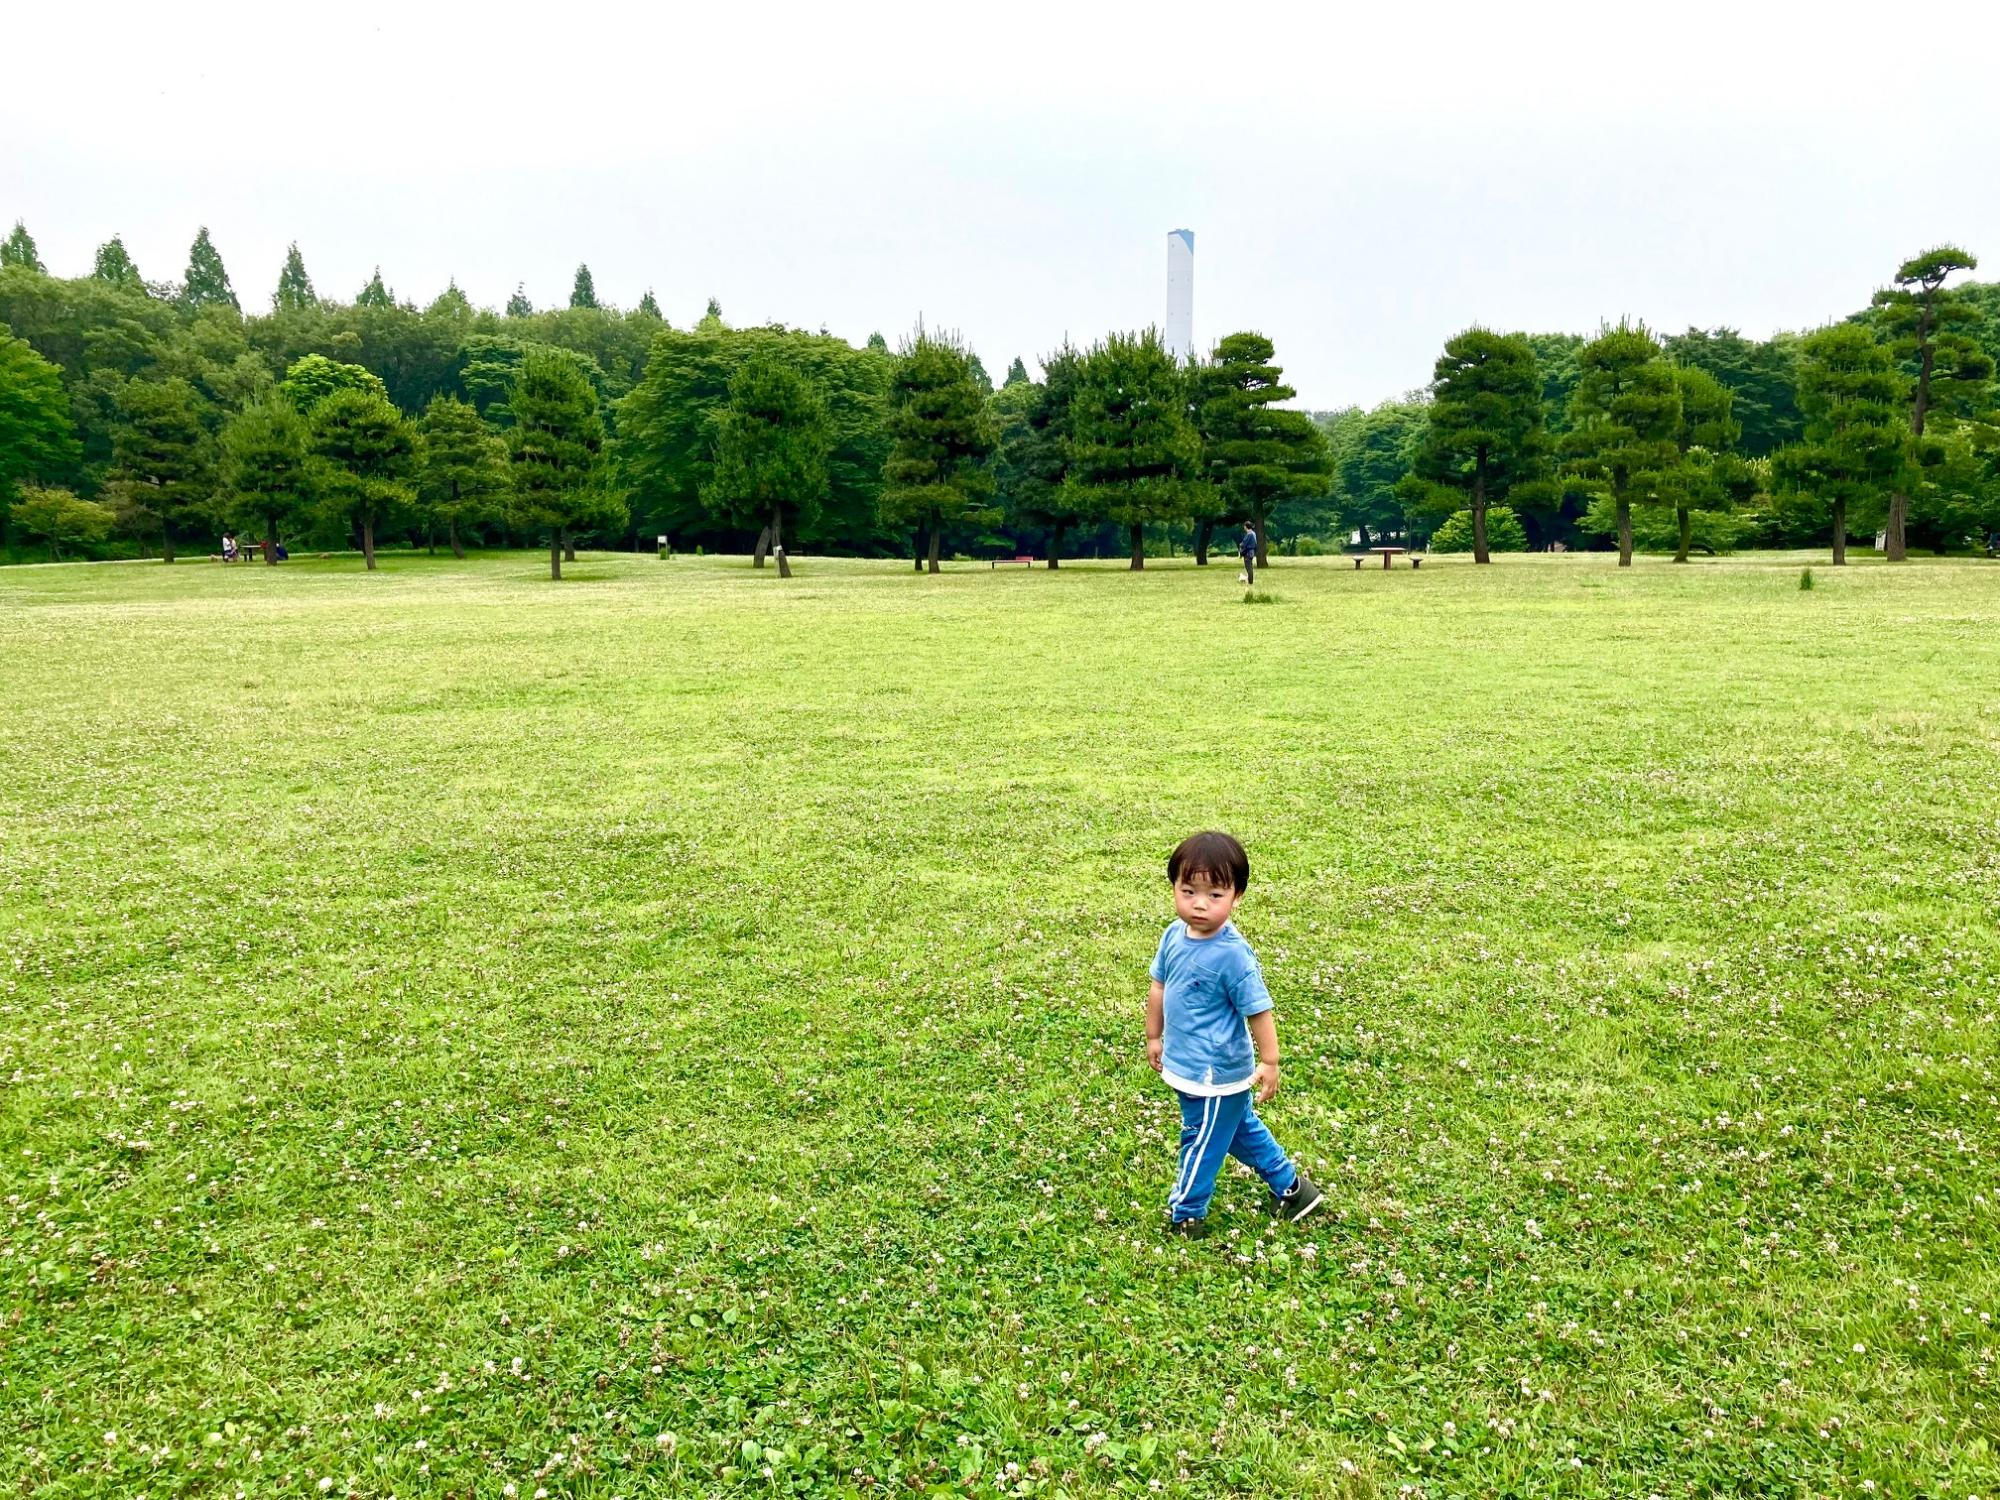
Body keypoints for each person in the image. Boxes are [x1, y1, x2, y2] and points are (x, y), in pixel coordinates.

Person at [1146, 830, 1323, 1237]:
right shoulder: (1173, 936)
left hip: (1215, 1073)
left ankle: (1186, 1212)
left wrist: (1270, 1060)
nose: (1199, 904)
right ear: (1173, 887)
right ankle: (1294, 1190)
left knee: (1202, 1141)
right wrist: (1155, 1036)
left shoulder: (1233, 954)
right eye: (1188, 891)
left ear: (1236, 896)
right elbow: (1159, 986)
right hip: (1184, 1061)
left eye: (1215, 895)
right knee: (1237, 1130)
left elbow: (1258, 1010)